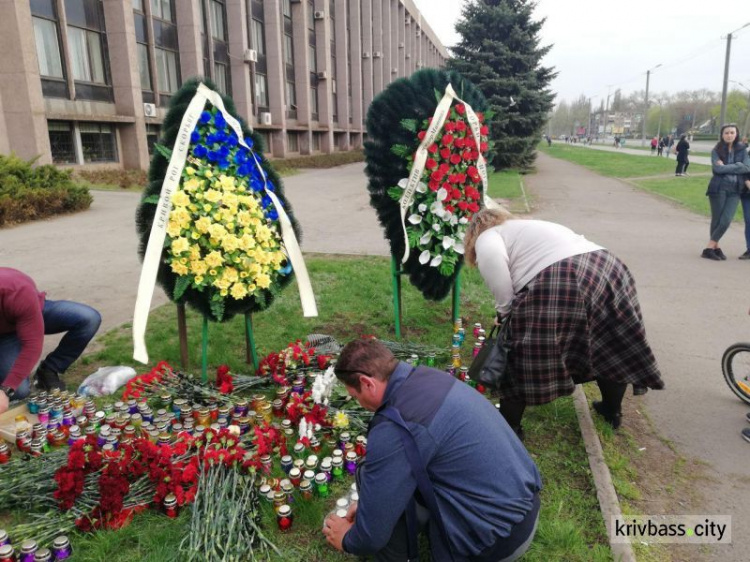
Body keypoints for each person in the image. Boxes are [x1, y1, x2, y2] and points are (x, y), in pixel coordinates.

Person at [322, 338, 542, 562]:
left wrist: (349, 538)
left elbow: (371, 537)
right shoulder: (428, 377)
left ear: (367, 383)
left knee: (368, 472)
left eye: (356, 396)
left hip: (495, 541)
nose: (359, 403)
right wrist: (370, 503)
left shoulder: (396, 425)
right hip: (526, 506)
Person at [462, 209, 664, 435]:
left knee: (519, 353)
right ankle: (611, 410)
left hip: (561, 275)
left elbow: (501, 286)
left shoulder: (487, 238)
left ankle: (510, 428)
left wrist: (504, 315)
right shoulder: (528, 226)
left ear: (472, 233)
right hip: (608, 267)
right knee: (609, 342)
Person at [0, 268, 101, 415]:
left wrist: (5, 389)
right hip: (4, 334)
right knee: (19, 392)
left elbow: (32, 345)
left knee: (89, 318)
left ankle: (49, 369)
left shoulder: (17, 292)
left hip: (30, 314)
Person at [702, 124, 750, 261]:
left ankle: (709, 248)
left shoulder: (743, 150)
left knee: (726, 220)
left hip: (735, 190)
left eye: (732, 132)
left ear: (736, 134)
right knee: (717, 220)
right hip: (718, 188)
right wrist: (737, 166)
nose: (729, 135)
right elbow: (717, 170)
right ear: (722, 135)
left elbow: (746, 167)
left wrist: (726, 167)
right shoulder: (716, 150)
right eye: (726, 133)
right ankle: (715, 248)